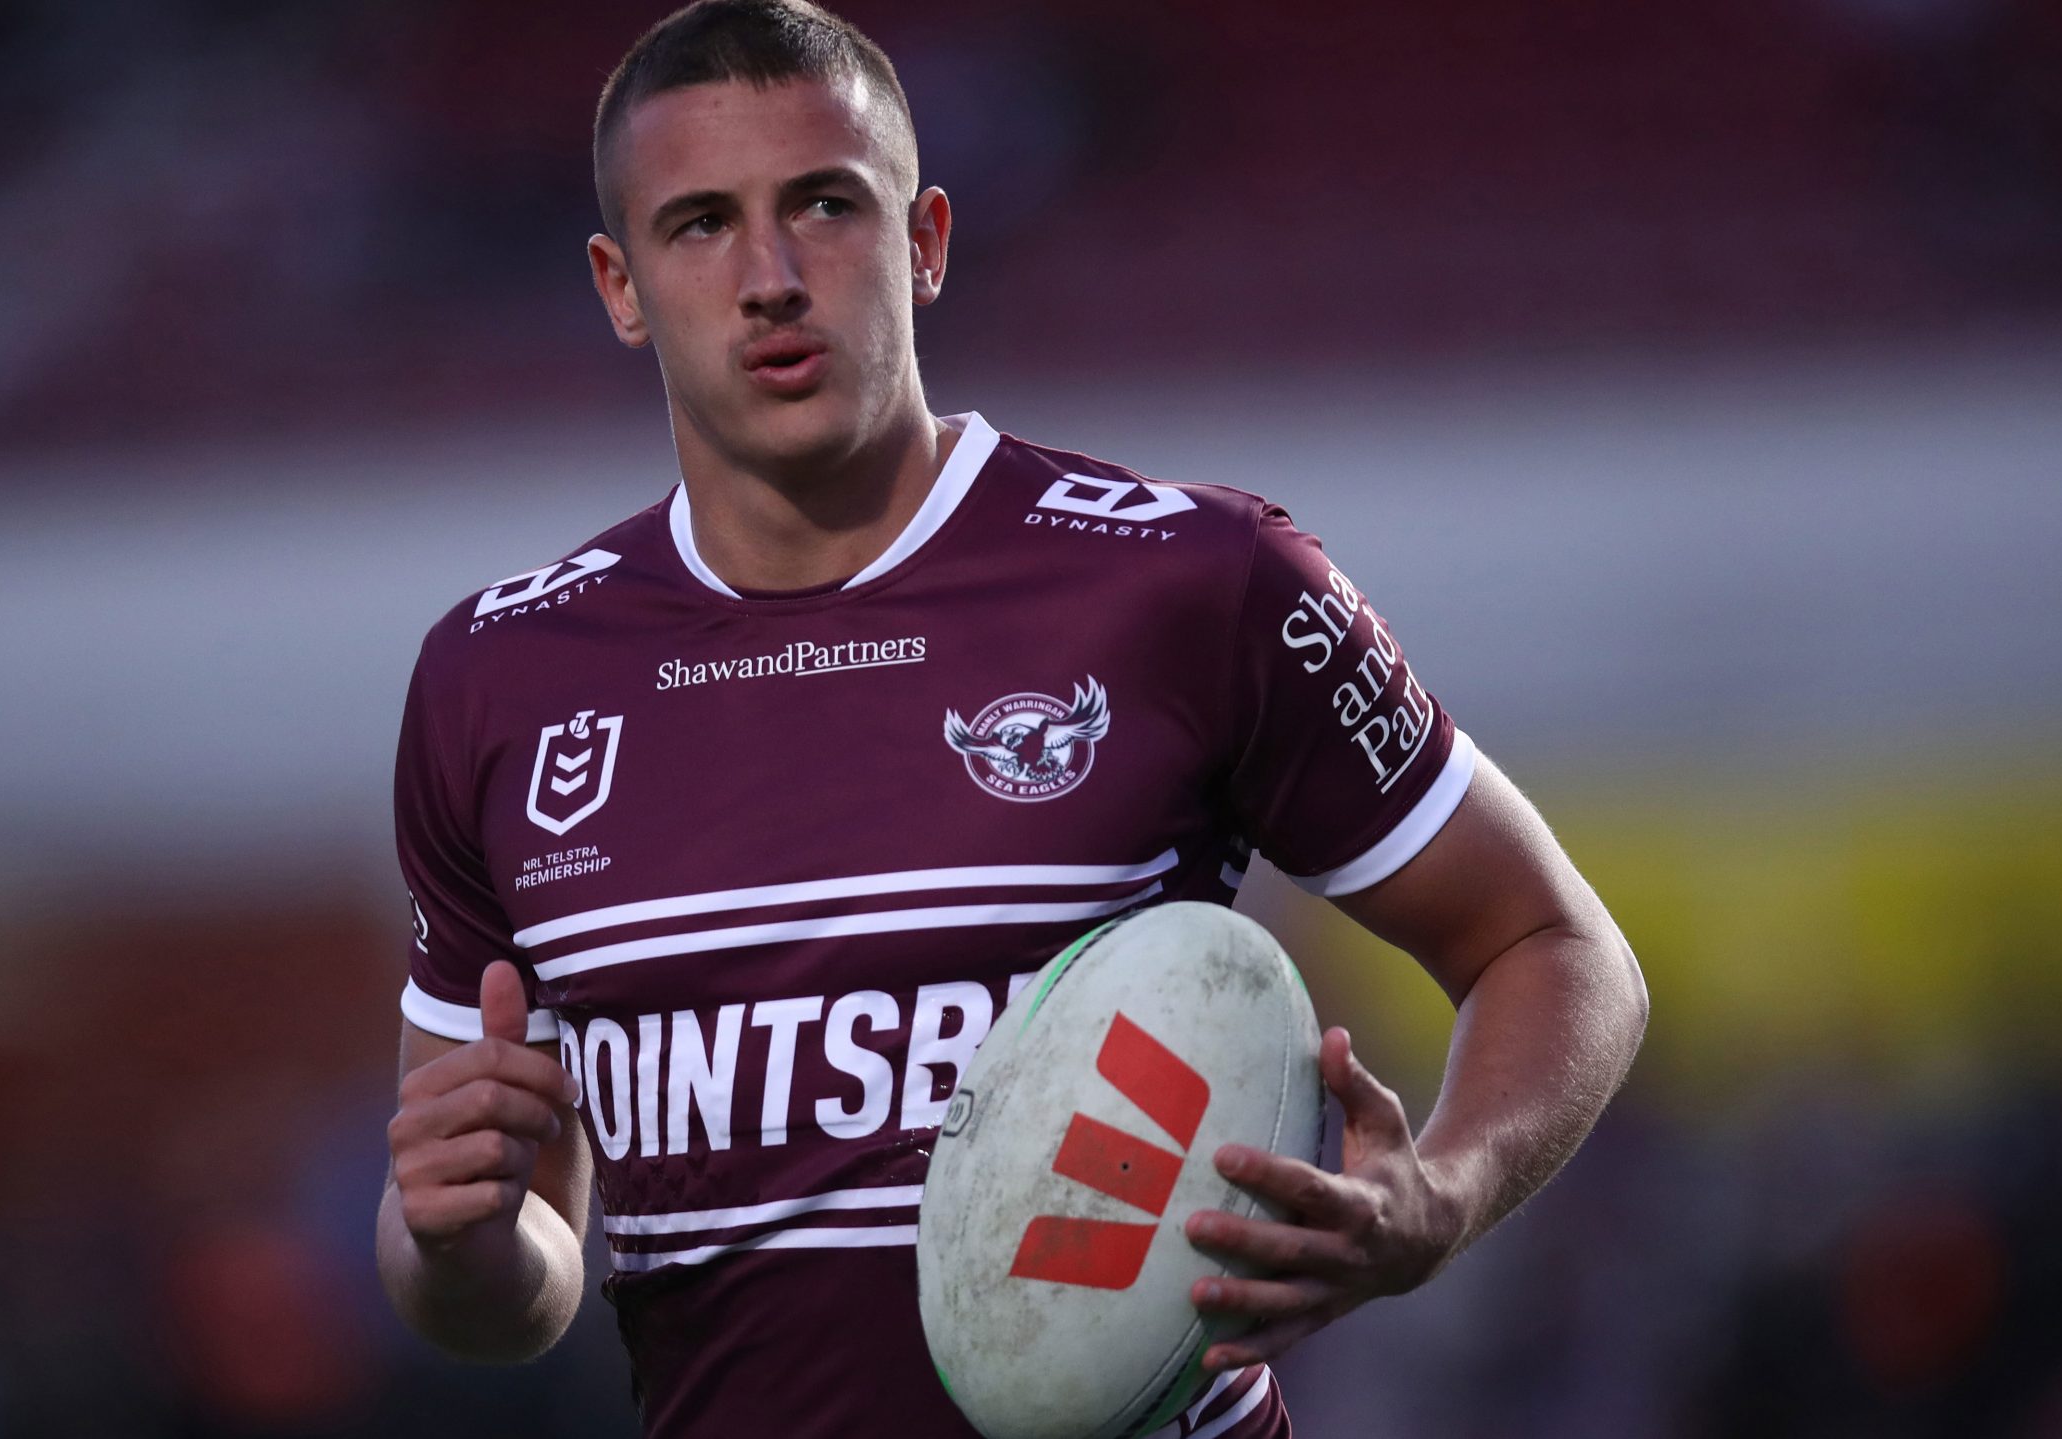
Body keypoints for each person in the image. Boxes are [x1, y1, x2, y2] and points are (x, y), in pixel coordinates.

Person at [373, 3, 1650, 1435]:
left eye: (824, 206)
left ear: (924, 239)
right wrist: (458, 1244)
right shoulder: (500, 678)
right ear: (619, 285)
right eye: (699, 227)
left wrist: (1446, 1195)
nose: (772, 277)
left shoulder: (1190, 582)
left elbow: (1556, 946)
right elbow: (517, 1281)